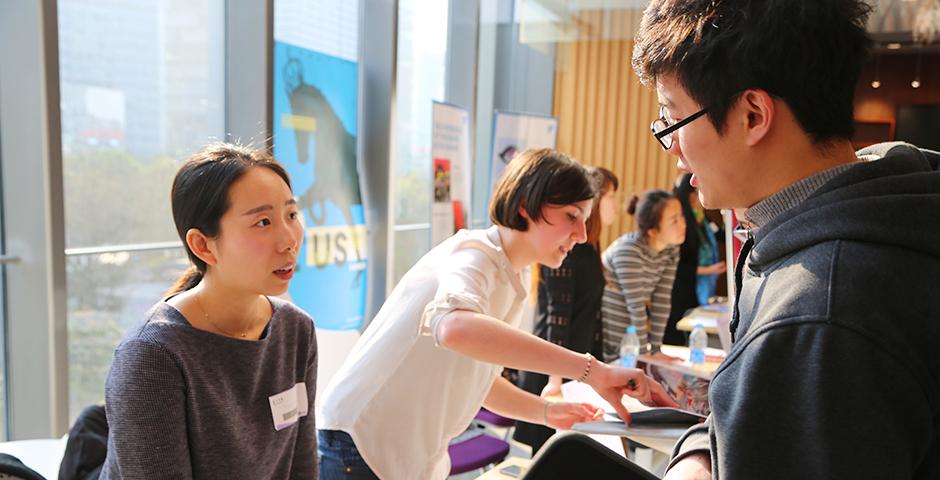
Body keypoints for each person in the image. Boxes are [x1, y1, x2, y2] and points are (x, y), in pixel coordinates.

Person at [632, 0, 940, 478]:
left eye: (672, 118)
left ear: (753, 114)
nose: (672, 147)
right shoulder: (867, 211)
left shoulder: (823, 313)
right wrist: (701, 453)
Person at [318, 149, 675, 479]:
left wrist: (547, 413)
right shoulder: (473, 254)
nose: (581, 234)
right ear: (525, 206)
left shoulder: (512, 274)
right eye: (571, 217)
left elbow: (478, 380)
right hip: (361, 443)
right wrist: (591, 371)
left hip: (404, 451)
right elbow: (454, 328)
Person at [100, 143, 318, 479]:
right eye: (262, 222)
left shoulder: (295, 330)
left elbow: (302, 468)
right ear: (203, 245)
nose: (289, 239)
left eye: (291, 215)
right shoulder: (152, 356)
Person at [513, 166, 621, 454]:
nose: (616, 205)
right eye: (611, 196)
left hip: (575, 365)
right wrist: (554, 379)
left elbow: (592, 315)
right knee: (551, 457)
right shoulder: (565, 248)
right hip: (553, 368)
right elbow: (557, 317)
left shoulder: (589, 245)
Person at [600, 189, 686, 362]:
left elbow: (662, 299)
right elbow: (636, 305)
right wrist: (644, 353)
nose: (683, 224)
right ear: (653, 231)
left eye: (681, 216)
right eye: (673, 220)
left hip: (632, 323)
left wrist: (655, 349)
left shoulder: (671, 249)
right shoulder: (628, 250)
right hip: (611, 318)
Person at [666, 173, 725, 346]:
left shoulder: (702, 219)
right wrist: (709, 270)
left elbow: (720, 234)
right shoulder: (683, 222)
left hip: (701, 286)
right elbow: (679, 266)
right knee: (679, 335)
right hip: (683, 290)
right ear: (692, 196)